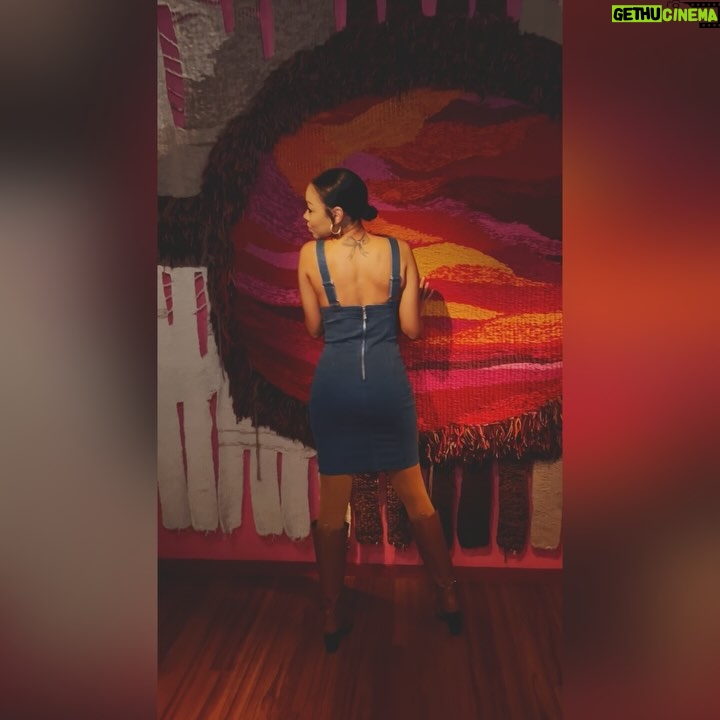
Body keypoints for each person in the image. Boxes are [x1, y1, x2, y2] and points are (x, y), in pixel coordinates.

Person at [297, 167, 461, 653]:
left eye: (310, 209)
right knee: (417, 497)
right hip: (389, 387)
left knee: (332, 504)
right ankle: (448, 597)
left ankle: (331, 613)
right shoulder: (400, 251)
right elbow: (411, 330)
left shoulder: (309, 257)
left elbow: (314, 329)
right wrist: (416, 299)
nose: (304, 217)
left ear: (336, 214)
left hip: (335, 389)